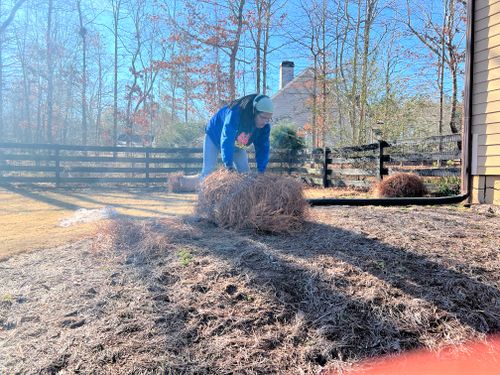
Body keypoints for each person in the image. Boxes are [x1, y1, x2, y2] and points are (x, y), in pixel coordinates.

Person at [200, 93, 274, 180]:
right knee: (208, 170)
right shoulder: (235, 114)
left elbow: (263, 148)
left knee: (246, 174)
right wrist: (229, 166)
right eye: (262, 117)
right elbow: (227, 139)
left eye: (268, 119)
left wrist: (261, 171)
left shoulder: (264, 127)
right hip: (214, 136)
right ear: (254, 112)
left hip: (237, 143)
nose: (265, 122)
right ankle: (202, 192)